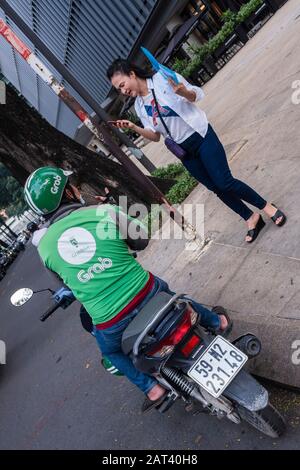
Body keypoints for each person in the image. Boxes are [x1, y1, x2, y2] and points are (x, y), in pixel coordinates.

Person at [24, 166, 230, 412]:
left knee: (111, 352)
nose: (77, 188)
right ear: (67, 193)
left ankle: (152, 389)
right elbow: (141, 240)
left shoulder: (44, 248)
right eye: (72, 185)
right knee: (172, 297)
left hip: (112, 322)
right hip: (147, 292)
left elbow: (66, 285)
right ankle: (218, 322)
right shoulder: (103, 212)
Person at [106, 59, 286, 243]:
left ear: (132, 74)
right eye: (119, 89)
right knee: (215, 188)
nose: (123, 91)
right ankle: (250, 217)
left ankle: (267, 207)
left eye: (122, 84)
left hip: (201, 136)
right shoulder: (139, 107)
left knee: (225, 182)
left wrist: (183, 92)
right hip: (185, 152)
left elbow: (197, 94)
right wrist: (134, 127)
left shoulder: (161, 78)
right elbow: (155, 136)